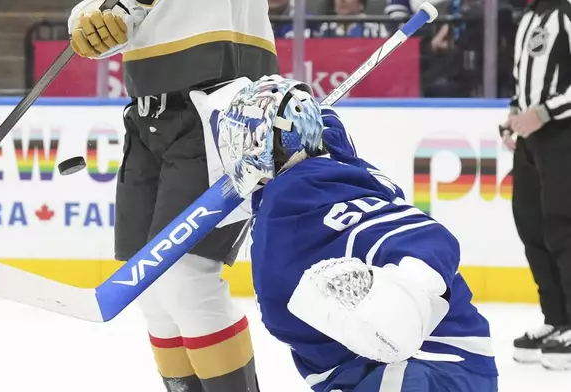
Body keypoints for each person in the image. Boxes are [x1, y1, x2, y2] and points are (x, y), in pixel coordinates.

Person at [193, 75, 498, 392]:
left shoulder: (296, 200)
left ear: (264, 144)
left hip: (432, 366)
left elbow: (424, 238)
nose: (233, 151)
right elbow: (328, 132)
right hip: (414, 367)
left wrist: (410, 290)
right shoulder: (335, 164)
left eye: (240, 138)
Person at [66, 1, 278, 391]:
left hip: (220, 105)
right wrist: (92, 21)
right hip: (146, 113)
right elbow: (120, 11)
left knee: (185, 278)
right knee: (148, 286)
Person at [500, 0, 571, 371]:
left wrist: (543, 113)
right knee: (532, 226)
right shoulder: (528, 17)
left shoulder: (567, 13)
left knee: (563, 228)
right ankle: (556, 318)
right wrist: (515, 113)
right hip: (531, 143)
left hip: (564, 135)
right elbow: (521, 81)